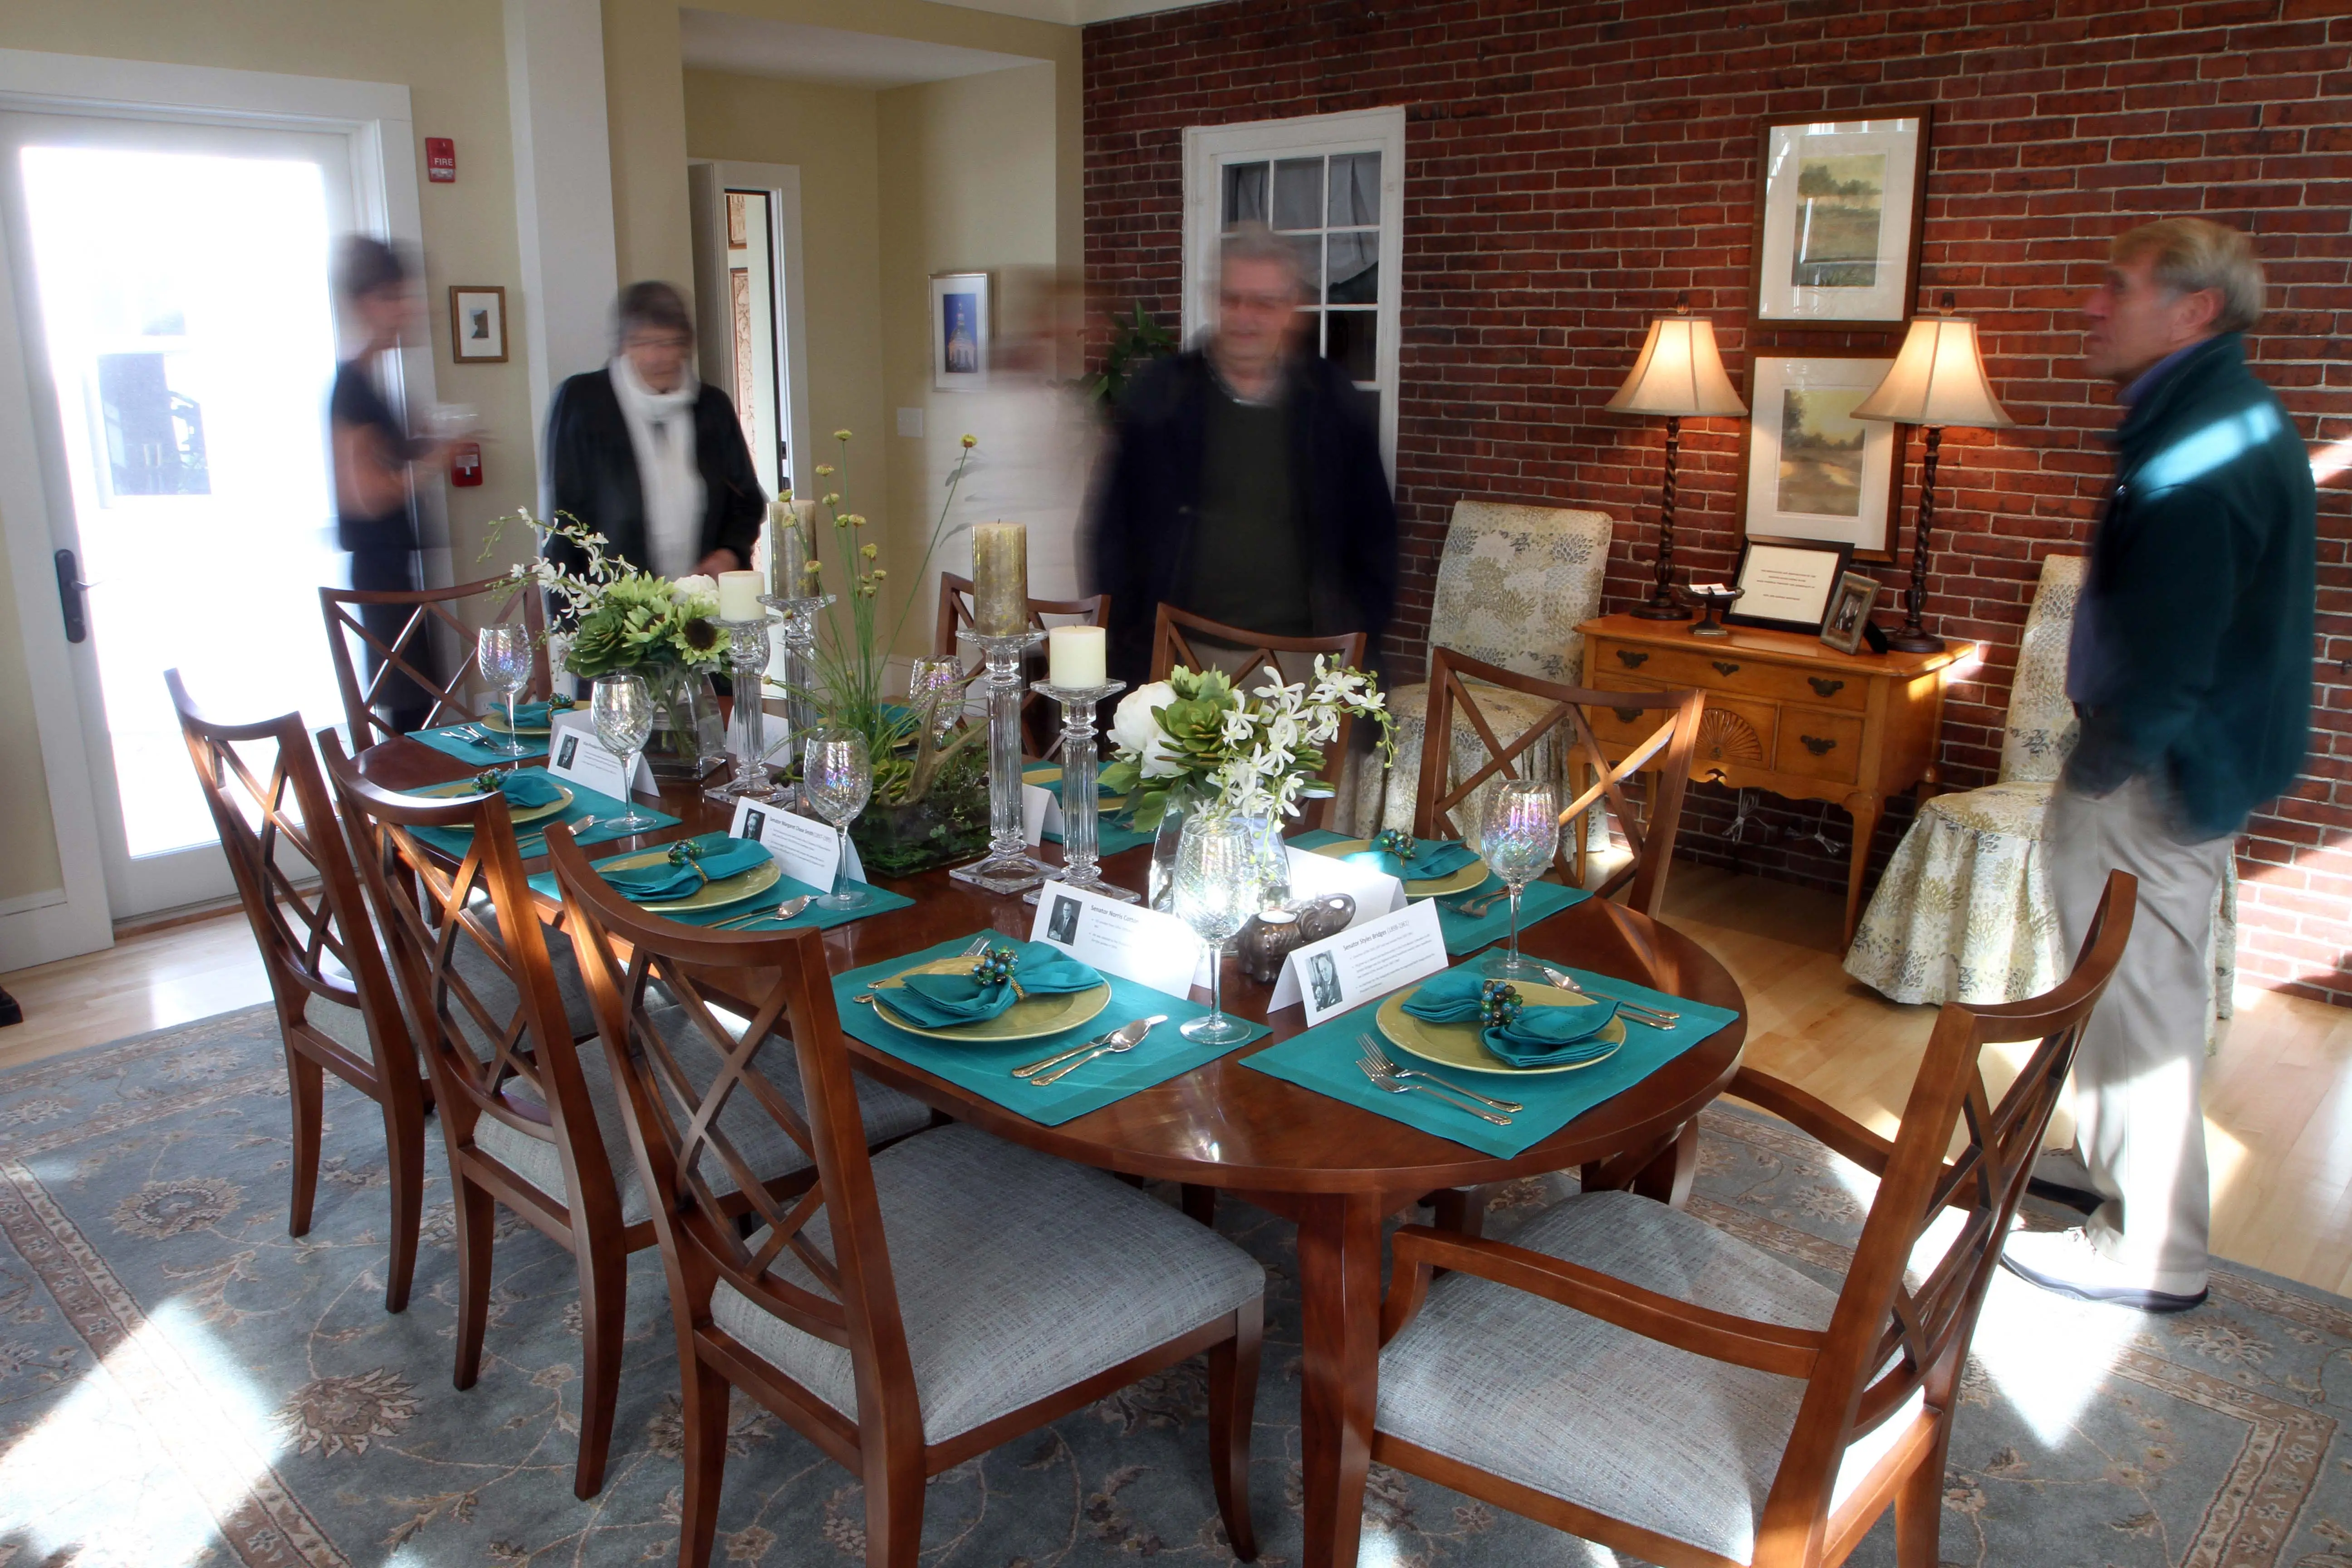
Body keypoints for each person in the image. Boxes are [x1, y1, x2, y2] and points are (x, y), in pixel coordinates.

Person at [2001, 218, 2316, 1314]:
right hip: (2174, 753)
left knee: (2140, 998)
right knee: (2122, 984)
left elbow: (2179, 641)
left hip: (2156, 765)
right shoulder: (2209, 409)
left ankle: (2151, 1253)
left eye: (2116, 284)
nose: (2093, 304)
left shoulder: (2202, 437)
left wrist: (2105, 762)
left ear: (2194, 310)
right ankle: (2105, 1174)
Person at [1087, 223, 1397, 686]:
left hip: (1303, 663)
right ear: (1215, 300)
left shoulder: (1332, 400)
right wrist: (1127, 637)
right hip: (1180, 660)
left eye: (1264, 303)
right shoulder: (1162, 394)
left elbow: (1375, 533)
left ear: (1292, 309)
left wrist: (1360, 636)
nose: (1245, 318)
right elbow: (1112, 528)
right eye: (1232, 300)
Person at [541, 281, 764, 583]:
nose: (659, 356)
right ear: (623, 346)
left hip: (702, 602)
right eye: (645, 343)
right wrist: (570, 620)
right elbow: (562, 521)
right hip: (612, 605)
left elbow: (746, 500)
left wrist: (730, 551)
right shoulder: (582, 402)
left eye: (672, 342)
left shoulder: (711, 407)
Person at [331, 236, 452, 734]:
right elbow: (364, 495)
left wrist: (419, 445)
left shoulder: (374, 381)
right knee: (411, 720)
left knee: (422, 708)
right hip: (381, 579)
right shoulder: (352, 387)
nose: (408, 308)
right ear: (366, 303)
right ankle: (409, 810)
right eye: (394, 297)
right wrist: (433, 461)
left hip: (398, 572)